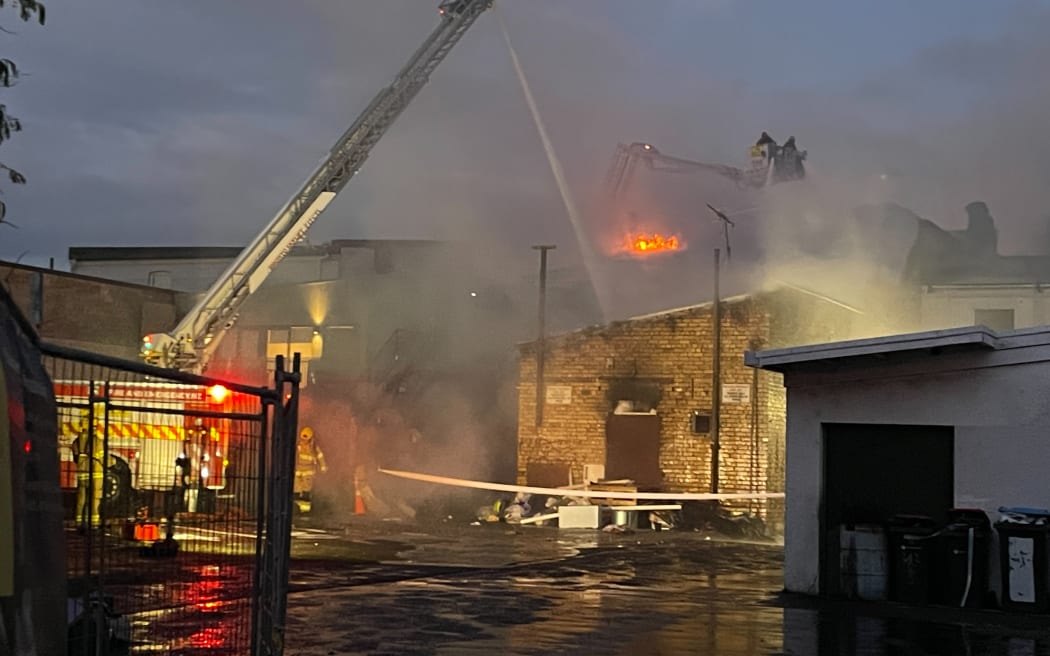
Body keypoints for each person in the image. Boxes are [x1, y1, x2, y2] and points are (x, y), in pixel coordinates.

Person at [71, 415, 105, 529]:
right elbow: (103, 458)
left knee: (81, 500)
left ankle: (79, 523)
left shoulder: (76, 441)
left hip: (82, 474)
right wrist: (112, 463)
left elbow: (75, 458)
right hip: (96, 474)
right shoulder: (98, 441)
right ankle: (93, 524)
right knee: (94, 500)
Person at [294, 426, 327, 504]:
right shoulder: (298, 446)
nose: (304, 441)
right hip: (298, 471)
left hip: (308, 472)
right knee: (296, 489)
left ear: (310, 438)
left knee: (306, 490)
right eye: (303, 439)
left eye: (306, 439)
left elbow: (320, 456)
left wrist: (323, 466)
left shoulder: (314, 447)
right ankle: (296, 507)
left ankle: (305, 509)